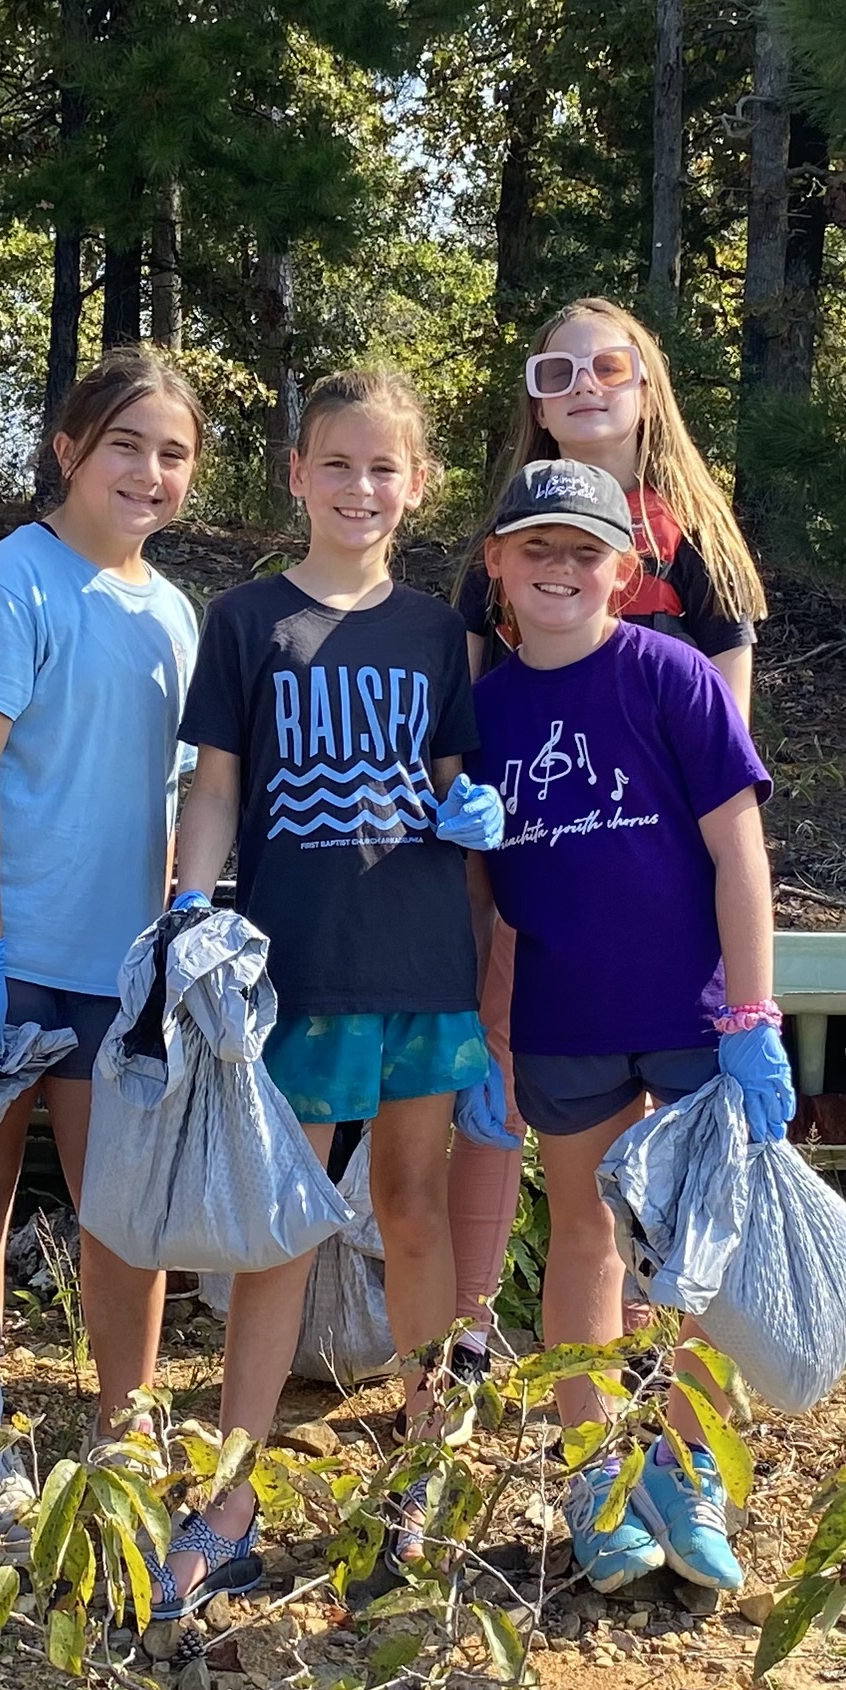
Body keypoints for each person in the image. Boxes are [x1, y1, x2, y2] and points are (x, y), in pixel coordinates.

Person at [154, 369, 505, 1617]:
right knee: (280, 1224)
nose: (361, 488)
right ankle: (234, 1496)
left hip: (420, 967)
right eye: (337, 465)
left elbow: (458, 779)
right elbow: (215, 784)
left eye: (384, 468)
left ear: (417, 487)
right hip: (294, 968)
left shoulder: (433, 632)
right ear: (296, 475)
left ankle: (423, 1470)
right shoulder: (246, 618)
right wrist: (191, 906)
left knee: (412, 1207)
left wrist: (480, 814)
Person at [461, 457, 794, 1596]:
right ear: (496, 564)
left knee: (702, 1251)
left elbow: (740, 851)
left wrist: (751, 1009)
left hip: (694, 1010)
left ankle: (689, 1464)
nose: (561, 568)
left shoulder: (673, 677)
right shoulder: (485, 708)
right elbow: (474, 886)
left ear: (627, 567)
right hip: (566, 1015)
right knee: (587, 1237)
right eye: (537, 547)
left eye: (585, 549)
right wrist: (475, 1015)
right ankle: (594, 1472)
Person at [0, 347, 202, 1460]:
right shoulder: (8, 581)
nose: (148, 471)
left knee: (123, 1202)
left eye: (173, 452)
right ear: (67, 450)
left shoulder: (176, 614)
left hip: (107, 962)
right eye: (124, 443)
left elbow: (163, 793)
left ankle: (126, 1428)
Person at [446, 297, 767, 1385]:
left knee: (677, 1197)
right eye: (558, 369)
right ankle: (473, 1332)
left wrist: (741, 983)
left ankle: (659, 1392)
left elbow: (727, 753)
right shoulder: (505, 537)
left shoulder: (701, 540)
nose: (585, 384)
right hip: (543, 899)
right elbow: (474, 718)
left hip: (670, 913)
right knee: (521, 1120)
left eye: (609, 364)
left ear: (649, 383)